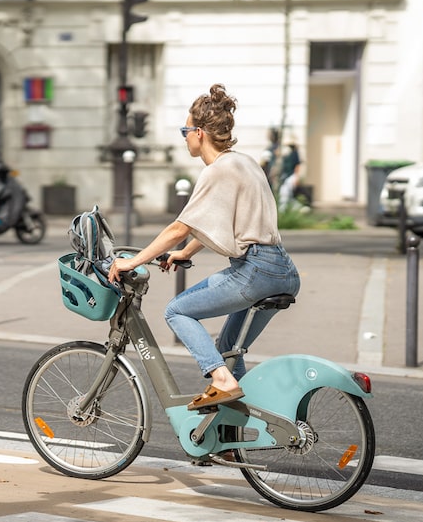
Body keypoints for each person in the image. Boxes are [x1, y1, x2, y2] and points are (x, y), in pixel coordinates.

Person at [108, 84, 300, 410]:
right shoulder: (245, 162)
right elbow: (215, 221)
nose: (184, 138)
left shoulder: (217, 171)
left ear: (199, 132)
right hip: (282, 269)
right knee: (228, 349)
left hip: (254, 270)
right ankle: (231, 438)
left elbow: (178, 228)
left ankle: (221, 381)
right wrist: (185, 253)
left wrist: (133, 261)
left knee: (177, 311)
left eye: (185, 131)